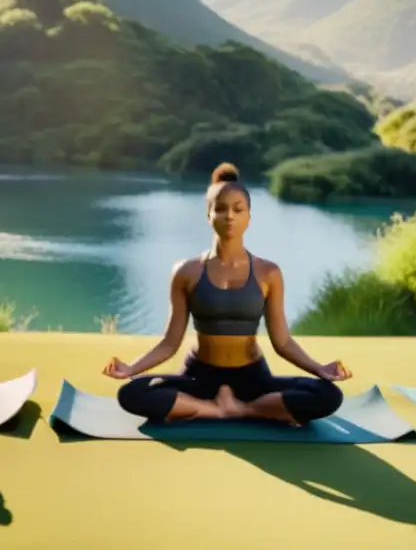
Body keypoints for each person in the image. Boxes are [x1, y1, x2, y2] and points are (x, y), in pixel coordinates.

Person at [103, 162, 350, 426]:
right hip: (200, 375)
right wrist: (131, 368)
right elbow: (169, 343)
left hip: (252, 376)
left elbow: (283, 342)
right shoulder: (185, 271)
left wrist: (319, 368)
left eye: (238, 209)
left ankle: (238, 409)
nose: (229, 216)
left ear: (249, 217)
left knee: (327, 395)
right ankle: (223, 409)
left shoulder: (269, 273)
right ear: (208, 215)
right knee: (132, 393)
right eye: (220, 209)